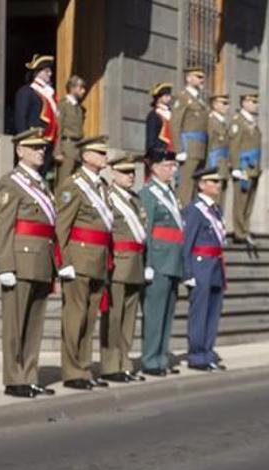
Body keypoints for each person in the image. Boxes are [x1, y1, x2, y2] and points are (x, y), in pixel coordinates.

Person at [0, 128, 58, 398]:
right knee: (16, 324)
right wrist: (5, 266)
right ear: (20, 151)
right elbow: (3, 228)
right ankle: (14, 378)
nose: (41, 151)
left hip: (41, 260)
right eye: (35, 147)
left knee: (34, 323)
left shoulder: (42, 184)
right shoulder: (10, 183)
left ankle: (29, 375)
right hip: (20, 260)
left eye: (42, 148)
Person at [55, 135, 113, 390]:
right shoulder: (73, 186)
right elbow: (62, 226)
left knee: (89, 318)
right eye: (100, 154)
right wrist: (63, 261)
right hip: (78, 258)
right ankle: (72, 371)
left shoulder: (102, 186)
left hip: (98, 259)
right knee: (74, 317)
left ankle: (84, 368)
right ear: (86, 156)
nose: (105, 158)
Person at [99, 154, 149, 383]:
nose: (131, 176)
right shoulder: (108, 198)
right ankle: (110, 365)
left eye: (133, 172)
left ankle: (125, 362)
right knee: (114, 317)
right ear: (113, 174)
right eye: (125, 172)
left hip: (136, 263)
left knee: (129, 318)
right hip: (117, 263)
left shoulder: (136, 200)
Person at [139, 149, 184, 376]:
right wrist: (147, 263)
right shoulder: (149, 194)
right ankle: (150, 359)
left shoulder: (170, 194)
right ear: (155, 168)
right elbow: (146, 230)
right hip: (157, 260)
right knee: (155, 313)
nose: (172, 170)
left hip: (173, 259)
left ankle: (161, 357)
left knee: (167, 313)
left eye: (173, 166)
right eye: (168, 166)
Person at [182, 166, 227, 372]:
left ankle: (208, 352)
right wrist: (188, 272)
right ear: (201, 185)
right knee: (200, 312)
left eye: (218, 182)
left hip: (215, 265)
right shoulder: (194, 210)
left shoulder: (216, 210)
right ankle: (197, 355)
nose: (218, 185)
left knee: (213, 311)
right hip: (200, 265)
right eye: (213, 181)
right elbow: (187, 242)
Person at [15, 54, 59, 177]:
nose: (50, 74)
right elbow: (21, 118)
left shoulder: (49, 93)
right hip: (33, 139)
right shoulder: (27, 91)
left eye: (50, 71)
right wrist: (24, 141)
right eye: (47, 71)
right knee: (29, 173)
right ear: (37, 72)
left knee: (42, 174)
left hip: (48, 141)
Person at [171, 67, 208, 206]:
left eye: (202, 77)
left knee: (195, 187)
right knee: (185, 187)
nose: (201, 79)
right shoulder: (182, 97)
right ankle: (183, 218)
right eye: (198, 76)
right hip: (189, 147)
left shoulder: (200, 100)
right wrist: (179, 150)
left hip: (199, 149)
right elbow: (175, 124)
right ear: (188, 78)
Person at [229, 93, 262, 245]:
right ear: (244, 103)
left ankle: (245, 229)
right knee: (241, 201)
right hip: (243, 166)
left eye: (256, 101)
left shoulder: (252, 122)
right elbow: (234, 145)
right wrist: (235, 166)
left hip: (253, 168)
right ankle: (239, 231)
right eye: (252, 101)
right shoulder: (238, 121)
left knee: (249, 202)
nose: (256, 104)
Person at [54, 75, 86, 191]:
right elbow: (58, 128)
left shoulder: (79, 108)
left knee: (76, 182)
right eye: (80, 87)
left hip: (78, 147)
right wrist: (57, 151)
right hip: (66, 146)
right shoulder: (63, 105)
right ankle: (60, 207)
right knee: (64, 181)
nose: (83, 91)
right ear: (72, 88)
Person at [207, 94, 231, 210]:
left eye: (228, 103)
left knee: (221, 199)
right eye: (224, 103)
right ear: (215, 104)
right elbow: (208, 144)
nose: (227, 106)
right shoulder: (210, 121)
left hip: (223, 165)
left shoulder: (224, 123)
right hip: (214, 163)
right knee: (212, 198)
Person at [145, 83, 175, 155]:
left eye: (169, 96)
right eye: (166, 96)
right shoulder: (154, 115)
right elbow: (151, 140)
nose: (169, 98)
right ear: (158, 97)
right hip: (160, 153)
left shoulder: (171, 114)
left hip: (172, 152)